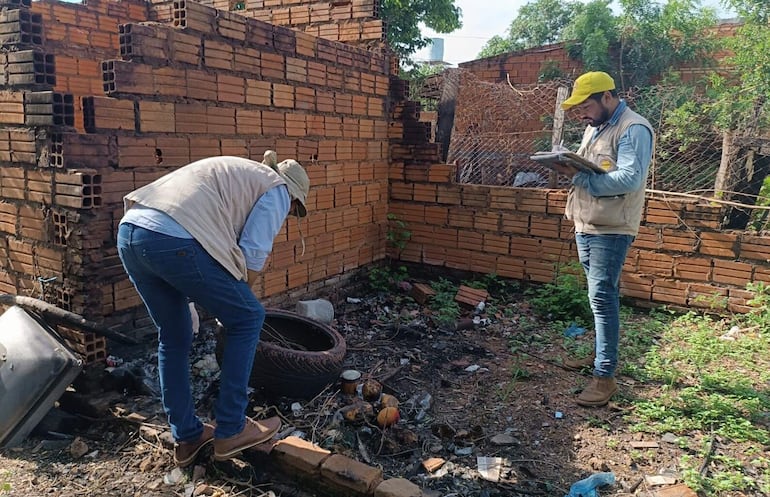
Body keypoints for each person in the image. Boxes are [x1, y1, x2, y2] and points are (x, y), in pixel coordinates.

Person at [117, 155, 310, 465]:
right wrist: (236, 306)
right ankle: (232, 429)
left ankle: (187, 437)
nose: (289, 212)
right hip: (171, 237)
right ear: (293, 193)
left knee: (174, 335)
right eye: (293, 207)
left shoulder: (241, 178)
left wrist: (197, 302)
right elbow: (252, 257)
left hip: (132, 232)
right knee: (249, 317)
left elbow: (196, 233)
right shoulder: (276, 190)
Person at [555, 72, 654, 407]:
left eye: (585, 105)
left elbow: (629, 177)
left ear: (606, 97)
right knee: (596, 296)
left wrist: (583, 180)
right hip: (589, 223)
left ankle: (605, 376)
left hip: (611, 229)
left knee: (602, 298)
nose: (581, 113)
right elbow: (593, 167)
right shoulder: (596, 126)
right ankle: (600, 356)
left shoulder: (632, 128)